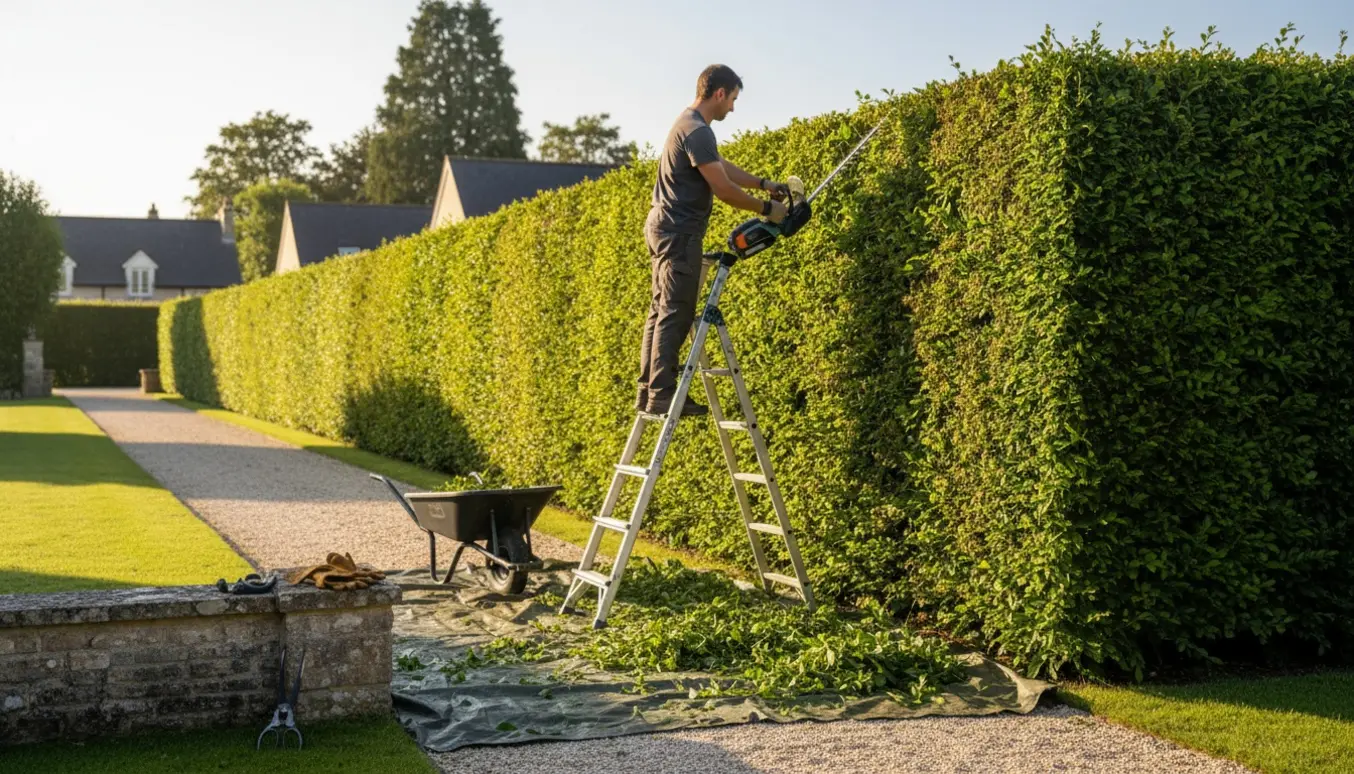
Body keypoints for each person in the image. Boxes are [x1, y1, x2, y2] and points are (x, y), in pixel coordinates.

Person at [636, 64, 791, 417]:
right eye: (733, 99)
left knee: (659, 309)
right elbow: (722, 189)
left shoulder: (688, 124)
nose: (733, 108)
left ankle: (648, 392)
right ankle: (662, 396)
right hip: (678, 231)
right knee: (676, 311)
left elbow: (720, 167)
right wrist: (769, 209)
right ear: (719, 93)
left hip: (663, 225)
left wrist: (764, 184)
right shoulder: (698, 130)